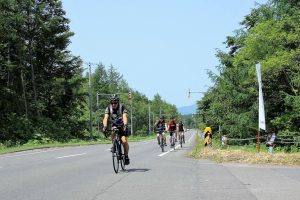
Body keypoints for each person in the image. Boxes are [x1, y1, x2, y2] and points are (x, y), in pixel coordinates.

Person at [102, 94, 130, 165]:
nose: (113, 104)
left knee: (124, 141)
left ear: (118, 102)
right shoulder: (108, 108)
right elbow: (105, 118)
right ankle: (113, 145)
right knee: (113, 130)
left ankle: (126, 156)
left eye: (115, 102)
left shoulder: (122, 107)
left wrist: (125, 125)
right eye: (112, 102)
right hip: (114, 124)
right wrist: (104, 126)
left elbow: (124, 117)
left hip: (122, 124)